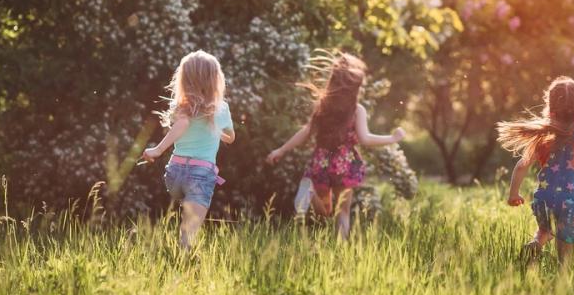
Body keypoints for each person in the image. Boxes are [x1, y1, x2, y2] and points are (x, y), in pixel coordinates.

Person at [266, 52, 406, 240]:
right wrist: (392, 138)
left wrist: (281, 149)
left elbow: (306, 132)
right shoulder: (357, 110)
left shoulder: (323, 106)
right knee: (342, 212)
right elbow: (365, 139)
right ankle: (341, 249)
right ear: (355, 89)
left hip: (321, 163)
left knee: (325, 211)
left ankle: (311, 194)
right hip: (344, 165)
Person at [500, 76, 574, 266]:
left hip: (543, 199)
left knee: (545, 231)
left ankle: (535, 245)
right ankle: (563, 274)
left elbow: (521, 166)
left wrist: (514, 194)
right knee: (566, 246)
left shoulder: (543, 139)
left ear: (550, 108)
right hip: (570, 202)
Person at [142, 50, 235, 250]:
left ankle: (180, 250)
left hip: (174, 174)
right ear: (216, 79)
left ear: (184, 79)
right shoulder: (221, 108)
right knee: (188, 235)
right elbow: (231, 137)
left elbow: (182, 124)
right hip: (201, 174)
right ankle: (184, 257)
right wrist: (217, 131)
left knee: (186, 202)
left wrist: (158, 150)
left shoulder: (182, 105)